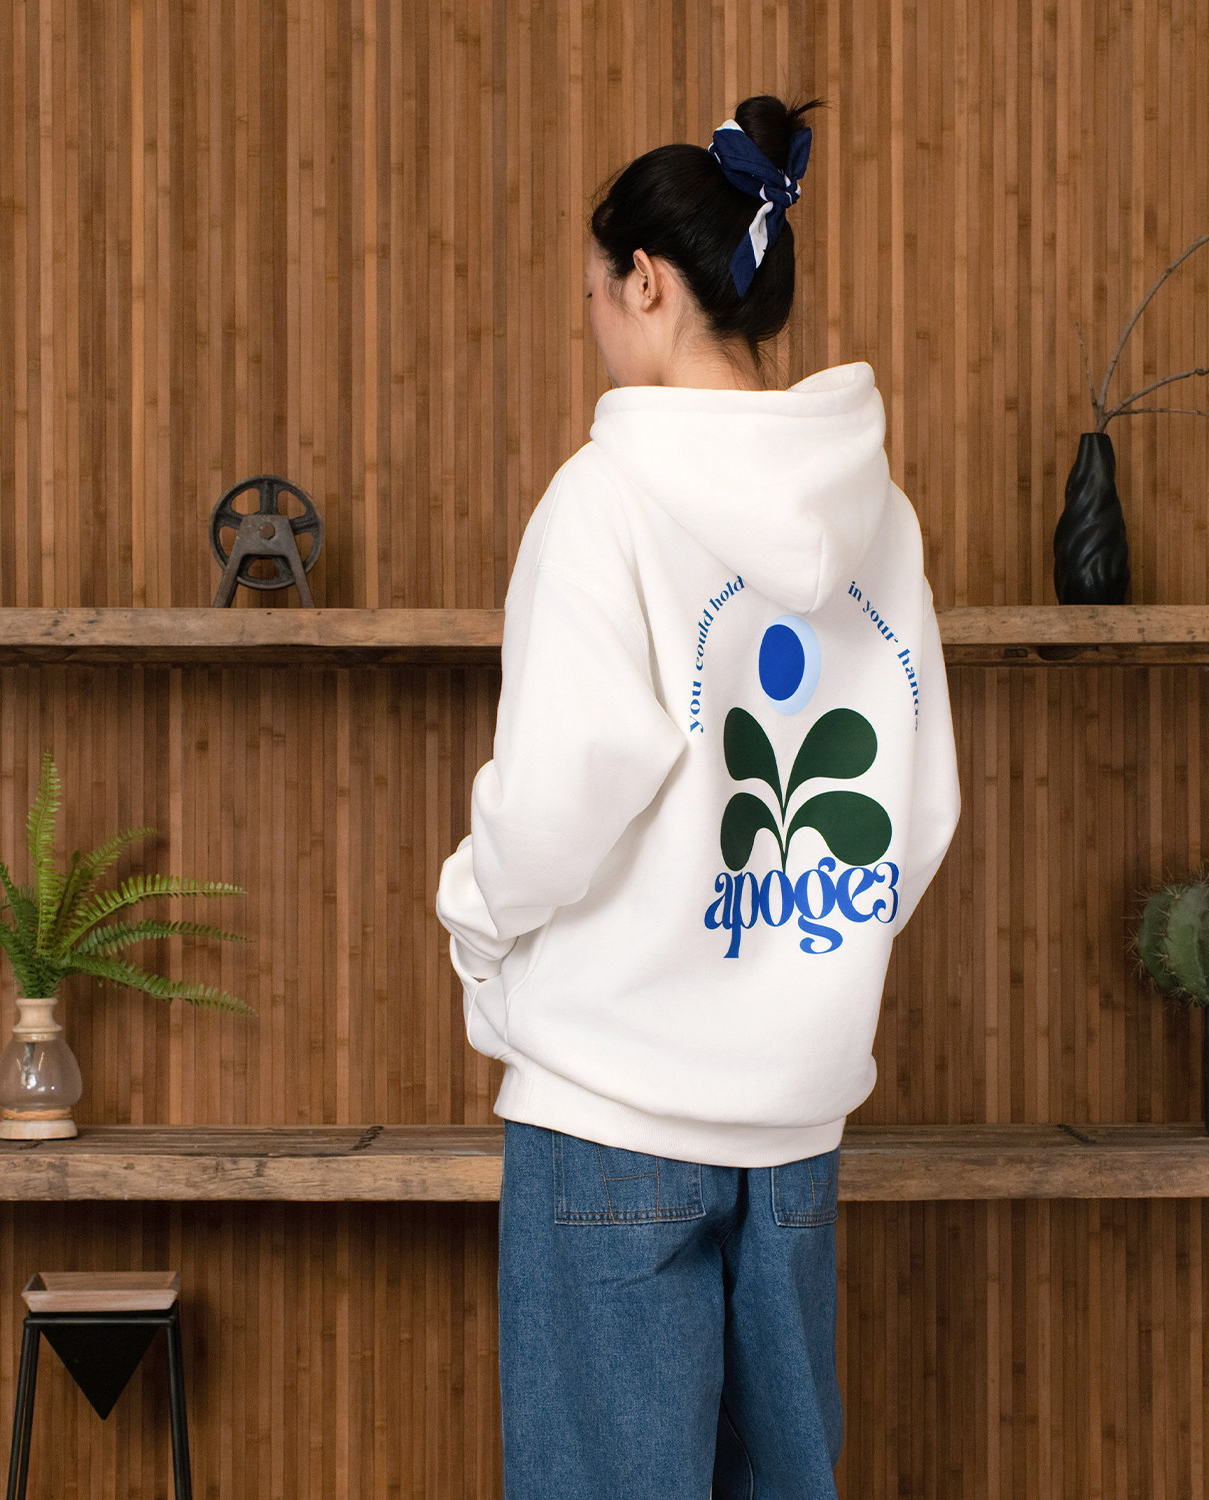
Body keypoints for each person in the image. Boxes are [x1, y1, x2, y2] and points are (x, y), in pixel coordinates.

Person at [436, 93, 961, 1500]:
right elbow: (916, 812)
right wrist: (804, 962)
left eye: (594, 297)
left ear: (647, 284)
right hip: (795, 1127)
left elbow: (561, 793)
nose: (596, 328)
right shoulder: (883, 520)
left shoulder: (603, 500)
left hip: (611, 1113)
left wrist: (475, 920)